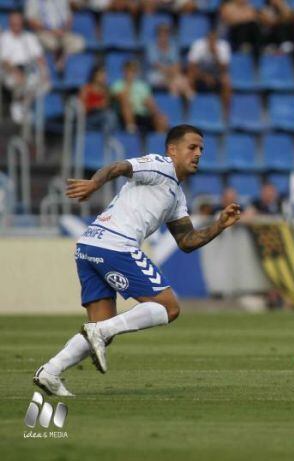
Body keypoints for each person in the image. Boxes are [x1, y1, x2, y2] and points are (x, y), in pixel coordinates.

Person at [33, 125, 241, 396]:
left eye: (201, 148)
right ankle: (101, 331)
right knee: (169, 308)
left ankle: (50, 371)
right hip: (115, 245)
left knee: (100, 331)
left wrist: (219, 225)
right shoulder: (159, 165)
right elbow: (119, 166)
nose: (198, 153)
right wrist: (94, 184)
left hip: (89, 246)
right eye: (192, 147)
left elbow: (187, 240)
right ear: (172, 149)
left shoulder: (176, 194)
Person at [0, 11, 50, 124]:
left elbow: (39, 58)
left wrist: (44, 72)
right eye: (14, 23)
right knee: (15, 80)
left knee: (43, 83)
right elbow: (4, 61)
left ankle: (22, 104)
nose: (17, 26)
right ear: (10, 23)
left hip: (28, 69)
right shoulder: (4, 38)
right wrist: (15, 72)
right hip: (10, 70)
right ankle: (16, 104)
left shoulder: (30, 37)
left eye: (19, 23)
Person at [24, 0, 85, 71]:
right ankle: (55, 63)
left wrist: (64, 31)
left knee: (79, 43)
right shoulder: (33, 1)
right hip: (43, 32)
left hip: (61, 32)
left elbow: (69, 18)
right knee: (52, 44)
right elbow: (31, 21)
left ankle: (62, 60)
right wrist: (51, 30)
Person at [111, 60, 168, 134]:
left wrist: (156, 113)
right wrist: (128, 85)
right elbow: (120, 98)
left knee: (161, 118)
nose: (130, 73)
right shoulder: (117, 85)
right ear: (124, 71)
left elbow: (149, 101)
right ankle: (131, 129)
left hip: (141, 113)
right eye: (128, 70)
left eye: (133, 71)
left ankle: (158, 140)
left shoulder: (142, 86)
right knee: (126, 103)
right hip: (123, 114)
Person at [187, 30, 232, 115]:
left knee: (226, 81)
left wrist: (216, 55)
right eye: (210, 40)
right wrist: (205, 77)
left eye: (214, 40)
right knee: (190, 78)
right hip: (200, 75)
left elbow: (224, 70)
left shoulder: (223, 46)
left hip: (216, 76)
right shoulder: (198, 45)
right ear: (206, 39)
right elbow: (191, 68)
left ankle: (225, 114)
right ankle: (190, 111)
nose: (212, 42)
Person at [146, 23, 195, 101]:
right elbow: (157, 66)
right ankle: (177, 106)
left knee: (182, 84)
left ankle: (188, 106)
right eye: (161, 34)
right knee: (179, 83)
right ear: (157, 35)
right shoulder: (151, 47)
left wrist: (173, 73)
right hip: (156, 75)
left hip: (173, 75)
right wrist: (171, 73)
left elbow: (177, 65)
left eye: (166, 34)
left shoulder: (173, 46)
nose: (163, 37)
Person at [79, 64, 117, 132]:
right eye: (101, 75)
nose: (104, 77)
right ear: (94, 76)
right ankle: (109, 139)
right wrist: (96, 106)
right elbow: (81, 108)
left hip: (102, 116)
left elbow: (106, 105)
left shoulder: (106, 90)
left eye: (105, 75)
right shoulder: (86, 89)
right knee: (110, 116)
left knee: (111, 116)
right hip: (89, 118)